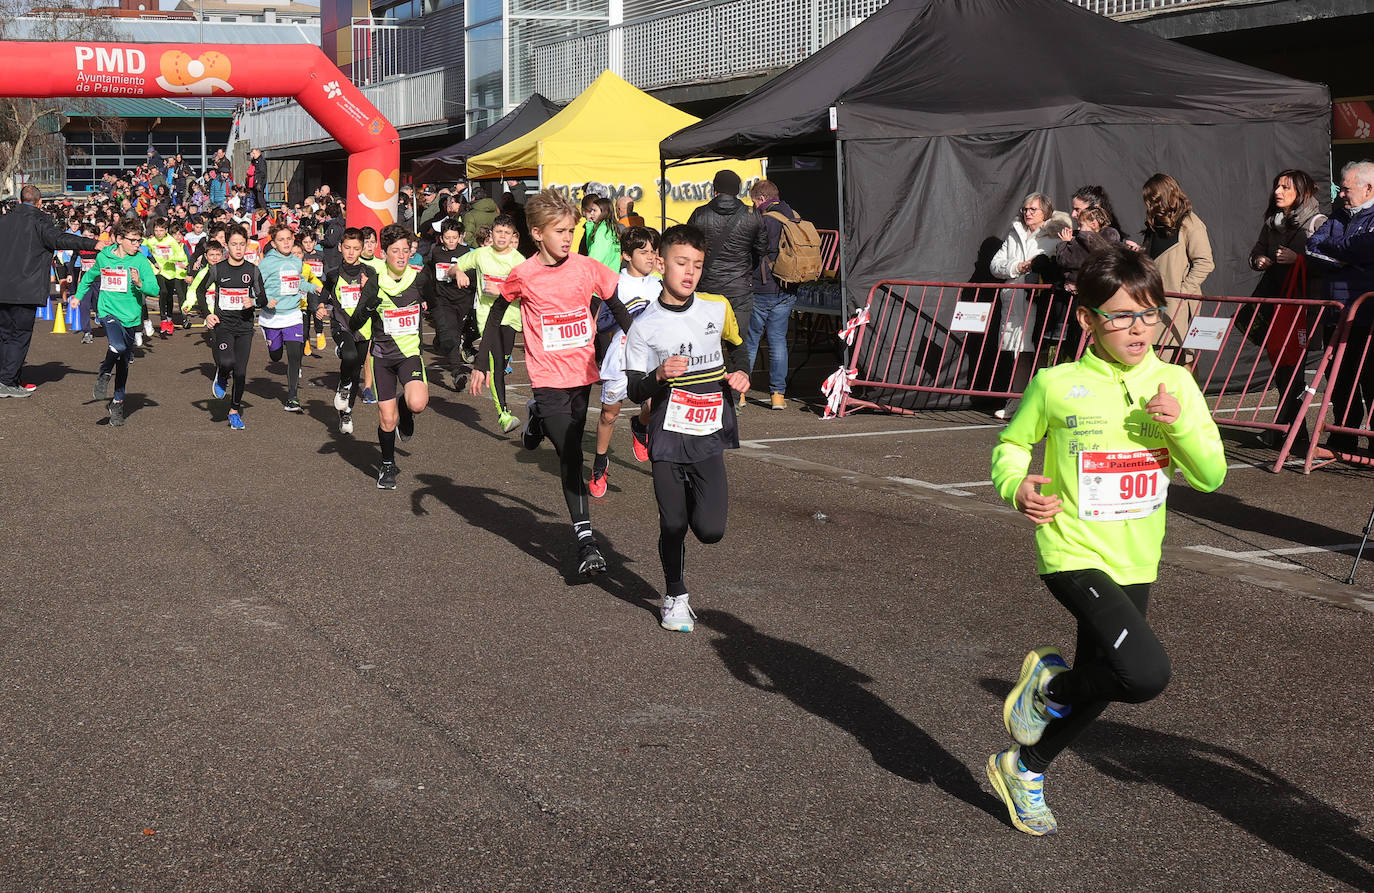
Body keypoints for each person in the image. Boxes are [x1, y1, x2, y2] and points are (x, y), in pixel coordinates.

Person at [986, 245, 1225, 836]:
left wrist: (1180, 426)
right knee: (1144, 674)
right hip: (1071, 551)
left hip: (1137, 558)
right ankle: (1049, 687)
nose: (1138, 328)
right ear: (1086, 319)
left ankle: (1027, 764)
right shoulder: (1057, 384)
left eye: (1148, 312)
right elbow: (1011, 447)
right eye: (1119, 315)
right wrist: (1016, 487)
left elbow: (1211, 474)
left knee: (1107, 679)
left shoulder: (1175, 384)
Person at [468, 189, 634, 576]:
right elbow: (497, 312)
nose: (567, 238)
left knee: (571, 443)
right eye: (559, 230)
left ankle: (538, 418)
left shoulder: (587, 267)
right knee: (572, 451)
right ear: (537, 233)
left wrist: (644, 348)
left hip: (581, 374)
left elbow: (616, 306)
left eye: (571, 230)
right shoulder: (524, 274)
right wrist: (480, 362)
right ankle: (586, 540)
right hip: (546, 376)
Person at [622, 224, 751, 631]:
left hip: (709, 428)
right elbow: (632, 388)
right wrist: (658, 375)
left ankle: (694, 511)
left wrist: (742, 373)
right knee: (673, 523)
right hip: (667, 431)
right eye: (681, 263)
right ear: (661, 264)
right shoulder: (644, 325)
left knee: (710, 531)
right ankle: (675, 595)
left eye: (697, 264)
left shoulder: (717, 307)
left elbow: (739, 347)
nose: (690, 272)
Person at [1247, 169, 1327, 451]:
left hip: (1301, 306)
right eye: (1277, 186)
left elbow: (1329, 262)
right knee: (1283, 369)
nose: (1278, 191)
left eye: (1286, 187)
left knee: (1293, 370)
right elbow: (1256, 251)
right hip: (1276, 304)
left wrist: (1299, 259)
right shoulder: (1273, 222)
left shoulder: (1317, 222)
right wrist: (1259, 260)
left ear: (1301, 193)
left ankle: (1293, 433)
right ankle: (1291, 432)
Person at [349, 224, 432, 489]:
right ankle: (387, 465)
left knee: (417, 403)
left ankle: (405, 406)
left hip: (409, 354)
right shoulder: (374, 282)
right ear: (385, 253)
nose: (401, 256)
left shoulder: (418, 278)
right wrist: (369, 307)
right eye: (395, 251)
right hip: (383, 357)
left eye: (406, 251)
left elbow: (437, 302)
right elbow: (355, 322)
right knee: (387, 420)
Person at [0, 185, 98, 396]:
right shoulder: (40, 222)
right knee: (19, 335)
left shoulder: (4, 220)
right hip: (25, 289)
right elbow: (62, 239)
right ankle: (7, 381)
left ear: (18, 201)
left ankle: (9, 377)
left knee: (5, 335)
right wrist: (93, 244)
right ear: (39, 203)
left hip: (3, 288)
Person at [1307, 160, 1374, 458]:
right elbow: (1311, 248)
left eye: (1346, 189)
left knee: (1371, 380)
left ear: (1368, 188)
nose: (1341, 194)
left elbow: (1364, 249)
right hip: (1337, 312)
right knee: (1340, 379)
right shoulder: (1338, 215)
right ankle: (1343, 437)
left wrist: (1342, 250)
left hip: (1368, 316)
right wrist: (1347, 258)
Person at [588, 225, 661, 498]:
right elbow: (601, 324)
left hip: (652, 357)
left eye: (654, 252)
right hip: (620, 353)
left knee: (655, 406)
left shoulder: (660, 284)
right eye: (644, 252)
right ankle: (600, 462)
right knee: (609, 414)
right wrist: (629, 312)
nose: (650, 257)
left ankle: (640, 425)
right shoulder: (614, 283)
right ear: (627, 256)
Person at [687, 170, 767, 391]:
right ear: (738, 190)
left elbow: (688, 248)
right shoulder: (753, 215)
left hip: (707, 289)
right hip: (740, 288)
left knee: (705, 342)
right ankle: (734, 396)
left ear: (715, 189)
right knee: (737, 343)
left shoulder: (699, 214)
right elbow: (762, 249)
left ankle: (704, 389)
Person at [989, 192, 1065, 419]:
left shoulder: (1055, 236)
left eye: (1034, 210)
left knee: (1040, 354)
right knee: (1019, 354)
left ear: (1046, 213)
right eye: (1025, 209)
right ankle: (1015, 402)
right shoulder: (1014, 233)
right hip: (1015, 300)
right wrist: (1016, 267)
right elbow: (995, 265)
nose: (1028, 213)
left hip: (1041, 302)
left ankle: (1039, 407)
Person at [80, 219, 159, 426]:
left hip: (131, 317)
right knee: (117, 345)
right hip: (107, 311)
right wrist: (78, 296)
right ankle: (104, 372)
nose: (137, 245)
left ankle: (117, 403)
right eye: (133, 241)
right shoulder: (104, 257)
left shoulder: (141, 261)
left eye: (139, 240)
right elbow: (89, 277)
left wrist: (139, 282)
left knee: (123, 363)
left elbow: (155, 289)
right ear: (119, 239)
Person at [453, 214, 526, 432]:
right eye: (498, 232)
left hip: (510, 318)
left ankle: (504, 403)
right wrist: (458, 273)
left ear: (513, 235)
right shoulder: (480, 255)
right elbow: (454, 266)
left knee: (501, 366)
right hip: (488, 319)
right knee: (495, 365)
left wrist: (504, 290)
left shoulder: (518, 260)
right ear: (491, 234)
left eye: (507, 232)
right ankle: (503, 414)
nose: (502, 236)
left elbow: (529, 291)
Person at [194, 225, 269, 430]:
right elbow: (200, 292)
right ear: (226, 245)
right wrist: (208, 314)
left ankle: (234, 411)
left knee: (242, 372)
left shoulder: (252, 270)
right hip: (223, 325)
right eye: (234, 244)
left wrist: (253, 301)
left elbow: (263, 298)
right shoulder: (218, 269)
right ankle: (221, 376)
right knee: (227, 361)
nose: (238, 248)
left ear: (247, 246)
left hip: (244, 327)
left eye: (242, 244)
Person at [1140, 174, 1214, 364]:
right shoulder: (1155, 226)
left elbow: (1205, 262)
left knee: (1179, 364)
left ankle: (1190, 394)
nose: (1148, 205)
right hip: (1152, 305)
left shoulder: (1190, 224)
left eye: (1152, 200)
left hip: (1176, 309)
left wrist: (1182, 292)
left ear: (1163, 198)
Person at [744, 179, 802, 411]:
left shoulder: (764, 220)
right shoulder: (794, 215)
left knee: (750, 342)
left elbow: (752, 252)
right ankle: (778, 395)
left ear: (760, 199)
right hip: (787, 288)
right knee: (778, 342)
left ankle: (740, 393)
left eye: (754, 201)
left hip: (761, 287)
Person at [258, 224, 323, 412]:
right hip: (272, 317)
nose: (286, 242)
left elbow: (299, 281)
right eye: (281, 239)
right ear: (273, 243)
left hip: (293, 314)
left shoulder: (296, 261)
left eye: (289, 238)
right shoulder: (266, 263)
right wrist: (265, 301)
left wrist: (314, 287)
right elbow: (256, 286)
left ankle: (292, 398)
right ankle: (273, 342)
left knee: (295, 355)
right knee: (276, 356)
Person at [315, 227, 371, 435]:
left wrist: (368, 288)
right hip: (342, 324)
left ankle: (346, 412)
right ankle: (344, 384)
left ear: (362, 249)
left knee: (356, 368)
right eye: (347, 247)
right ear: (340, 247)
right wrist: (321, 308)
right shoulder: (333, 274)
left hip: (364, 328)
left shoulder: (370, 273)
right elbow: (324, 294)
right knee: (349, 355)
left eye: (356, 249)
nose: (350, 252)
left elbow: (377, 299)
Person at [422, 218, 475, 393]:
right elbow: (428, 273)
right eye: (447, 237)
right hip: (441, 301)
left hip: (463, 301)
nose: (451, 241)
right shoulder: (435, 252)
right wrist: (423, 296)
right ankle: (457, 372)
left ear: (461, 237)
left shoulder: (468, 253)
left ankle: (439, 341)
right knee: (451, 338)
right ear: (441, 238)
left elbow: (476, 276)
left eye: (454, 237)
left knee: (451, 336)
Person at [143, 217, 189, 335]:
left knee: (169, 297)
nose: (159, 233)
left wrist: (171, 258)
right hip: (158, 271)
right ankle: (163, 319)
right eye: (156, 230)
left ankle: (169, 319)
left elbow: (182, 257)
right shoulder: (151, 241)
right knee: (162, 291)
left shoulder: (171, 241)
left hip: (171, 272)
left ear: (166, 230)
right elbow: (143, 247)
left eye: (161, 230)